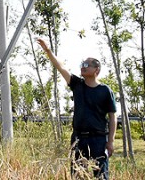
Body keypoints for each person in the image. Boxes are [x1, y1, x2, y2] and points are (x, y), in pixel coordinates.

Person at [37, 38, 117, 179]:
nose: (83, 66)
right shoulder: (77, 85)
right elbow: (61, 67)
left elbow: (112, 117)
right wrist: (48, 51)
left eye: (87, 64)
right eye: (82, 64)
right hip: (78, 138)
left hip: (98, 139)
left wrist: (110, 141)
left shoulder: (105, 90)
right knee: (77, 175)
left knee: (101, 175)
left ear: (96, 70)